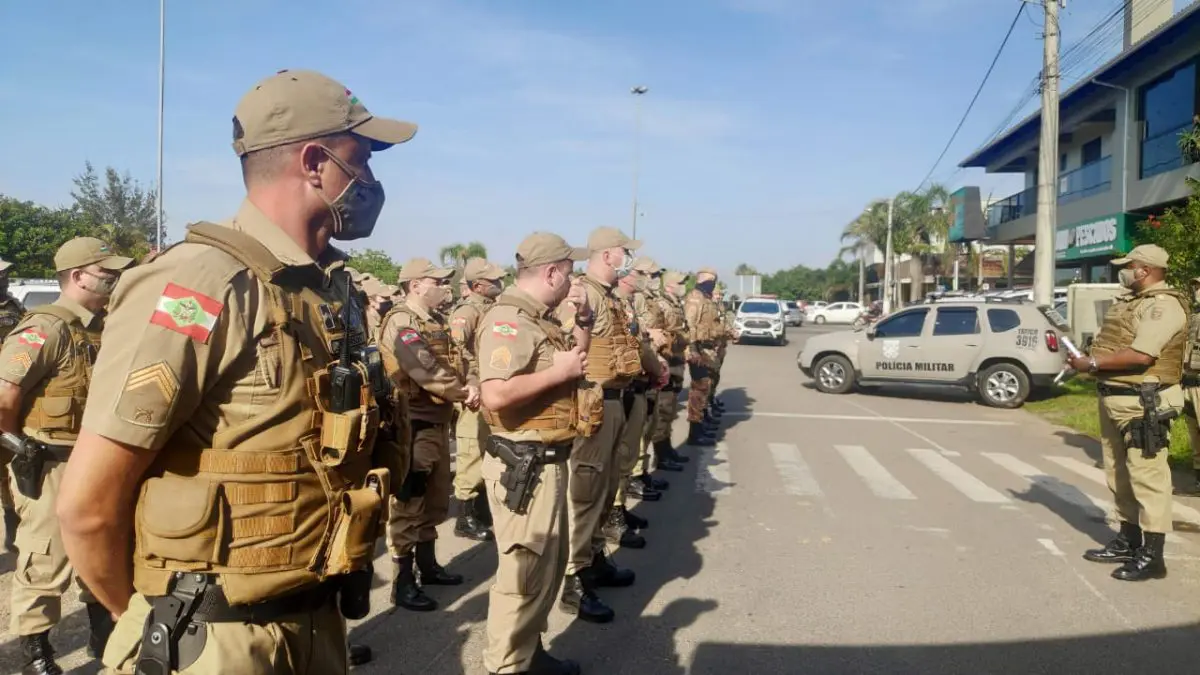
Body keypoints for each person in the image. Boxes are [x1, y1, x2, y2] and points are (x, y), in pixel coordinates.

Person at [56, 68, 416, 674]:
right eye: (363, 158)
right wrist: (144, 621)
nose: (372, 181)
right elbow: (88, 505)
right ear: (314, 161)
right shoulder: (201, 282)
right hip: (214, 638)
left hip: (315, 619)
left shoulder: (327, 290)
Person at [0, 238, 132, 674]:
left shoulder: (104, 326)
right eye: (106, 273)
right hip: (51, 462)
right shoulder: (46, 328)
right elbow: (4, 398)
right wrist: (23, 448)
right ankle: (37, 652)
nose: (113, 280)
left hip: (95, 463)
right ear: (77, 276)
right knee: (44, 558)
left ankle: (103, 637)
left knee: (101, 550)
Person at [477, 232, 589, 675]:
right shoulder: (509, 321)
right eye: (569, 271)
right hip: (523, 467)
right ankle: (505, 666)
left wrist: (583, 317)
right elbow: (495, 394)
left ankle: (529, 652)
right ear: (551, 272)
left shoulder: (539, 318)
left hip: (545, 463)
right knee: (522, 576)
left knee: (546, 567)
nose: (572, 279)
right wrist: (556, 372)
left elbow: (572, 361)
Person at [1072, 244, 1187, 582]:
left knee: (1147, 477)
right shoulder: (1133, 303)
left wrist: (1091, 363)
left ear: (1144, 270)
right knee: (1119, 473)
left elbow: (1141, 356)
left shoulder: (1162, 306)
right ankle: (1129, 539)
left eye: (1128, 265)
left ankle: (1153, 557)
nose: (1123, 271)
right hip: (1117, 398)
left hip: (1143, 402)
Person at [381, 257, 479, 611]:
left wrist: (471, 381)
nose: (445, 287)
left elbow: (464, 359)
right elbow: (423, 367)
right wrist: (464, 392)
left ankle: (428, 565)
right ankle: (402, 582)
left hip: (438, 420)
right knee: (410, 500)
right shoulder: (402, 322)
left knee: (436, 499)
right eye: (437, 281)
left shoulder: (435, 322)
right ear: (416, 285)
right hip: (414, 424)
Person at [557, 226, 642, 624]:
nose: (627, 258)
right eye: (623, 251)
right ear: (608, 255)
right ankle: (574, 582)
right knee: (587, 494)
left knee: (607, 488)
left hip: (615, 402)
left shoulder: (607, 296)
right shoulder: (583, 292)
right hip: (594, 406)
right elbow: (564, 345)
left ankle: (593, 561)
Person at [602, 257, 666, 550]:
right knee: (621, 456)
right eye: (641, 273)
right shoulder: (610, 303)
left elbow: (639, 345)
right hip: (620, 391)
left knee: (626, 456)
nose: (644, 279)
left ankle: (619, 510)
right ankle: (613, 517)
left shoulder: (625, 306)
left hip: (636, 385)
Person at [450, 256, 507, 541]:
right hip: (474, 391)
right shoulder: (467, 311)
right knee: (471, 451)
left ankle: (481, 510)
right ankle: (465, 516)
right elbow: (456, 351)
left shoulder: (492, 309)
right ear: (479, 286)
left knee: (487, 449)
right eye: (494, 280)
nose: (501, 283)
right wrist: (471, 382)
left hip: (489, 389)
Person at [649, 270, 691, 471]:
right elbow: (656, 334)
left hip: (677, 360)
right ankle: (661, 454)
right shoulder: (660, 304)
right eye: (680, 282)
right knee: (663, 410)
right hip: (667, 360)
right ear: (669, 285)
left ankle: (667, 448)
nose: (684, 285)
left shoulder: (675, 304)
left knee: (671, 409)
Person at [0, 256, 25, 552]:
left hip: (9, 394)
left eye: (6, 274)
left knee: (9, 472)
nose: (4, 279)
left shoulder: (15, 307)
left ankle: (12, 535)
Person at [683, 268, 724, 446]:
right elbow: (689, 324)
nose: (713, 283)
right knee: (699, 390)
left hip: (707, 349)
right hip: (698, 349)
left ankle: (700, 425)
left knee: (704, 388)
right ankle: (695, 432)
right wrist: (692, 349)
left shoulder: (706, 298)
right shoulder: (695, 297)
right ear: (701, 280)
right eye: (710, 280)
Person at [1178, 276, 1200, 497]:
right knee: (1194, 434)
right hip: (1189, 383)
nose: (1197, 291)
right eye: (1195, 286)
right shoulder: (1194, 317)